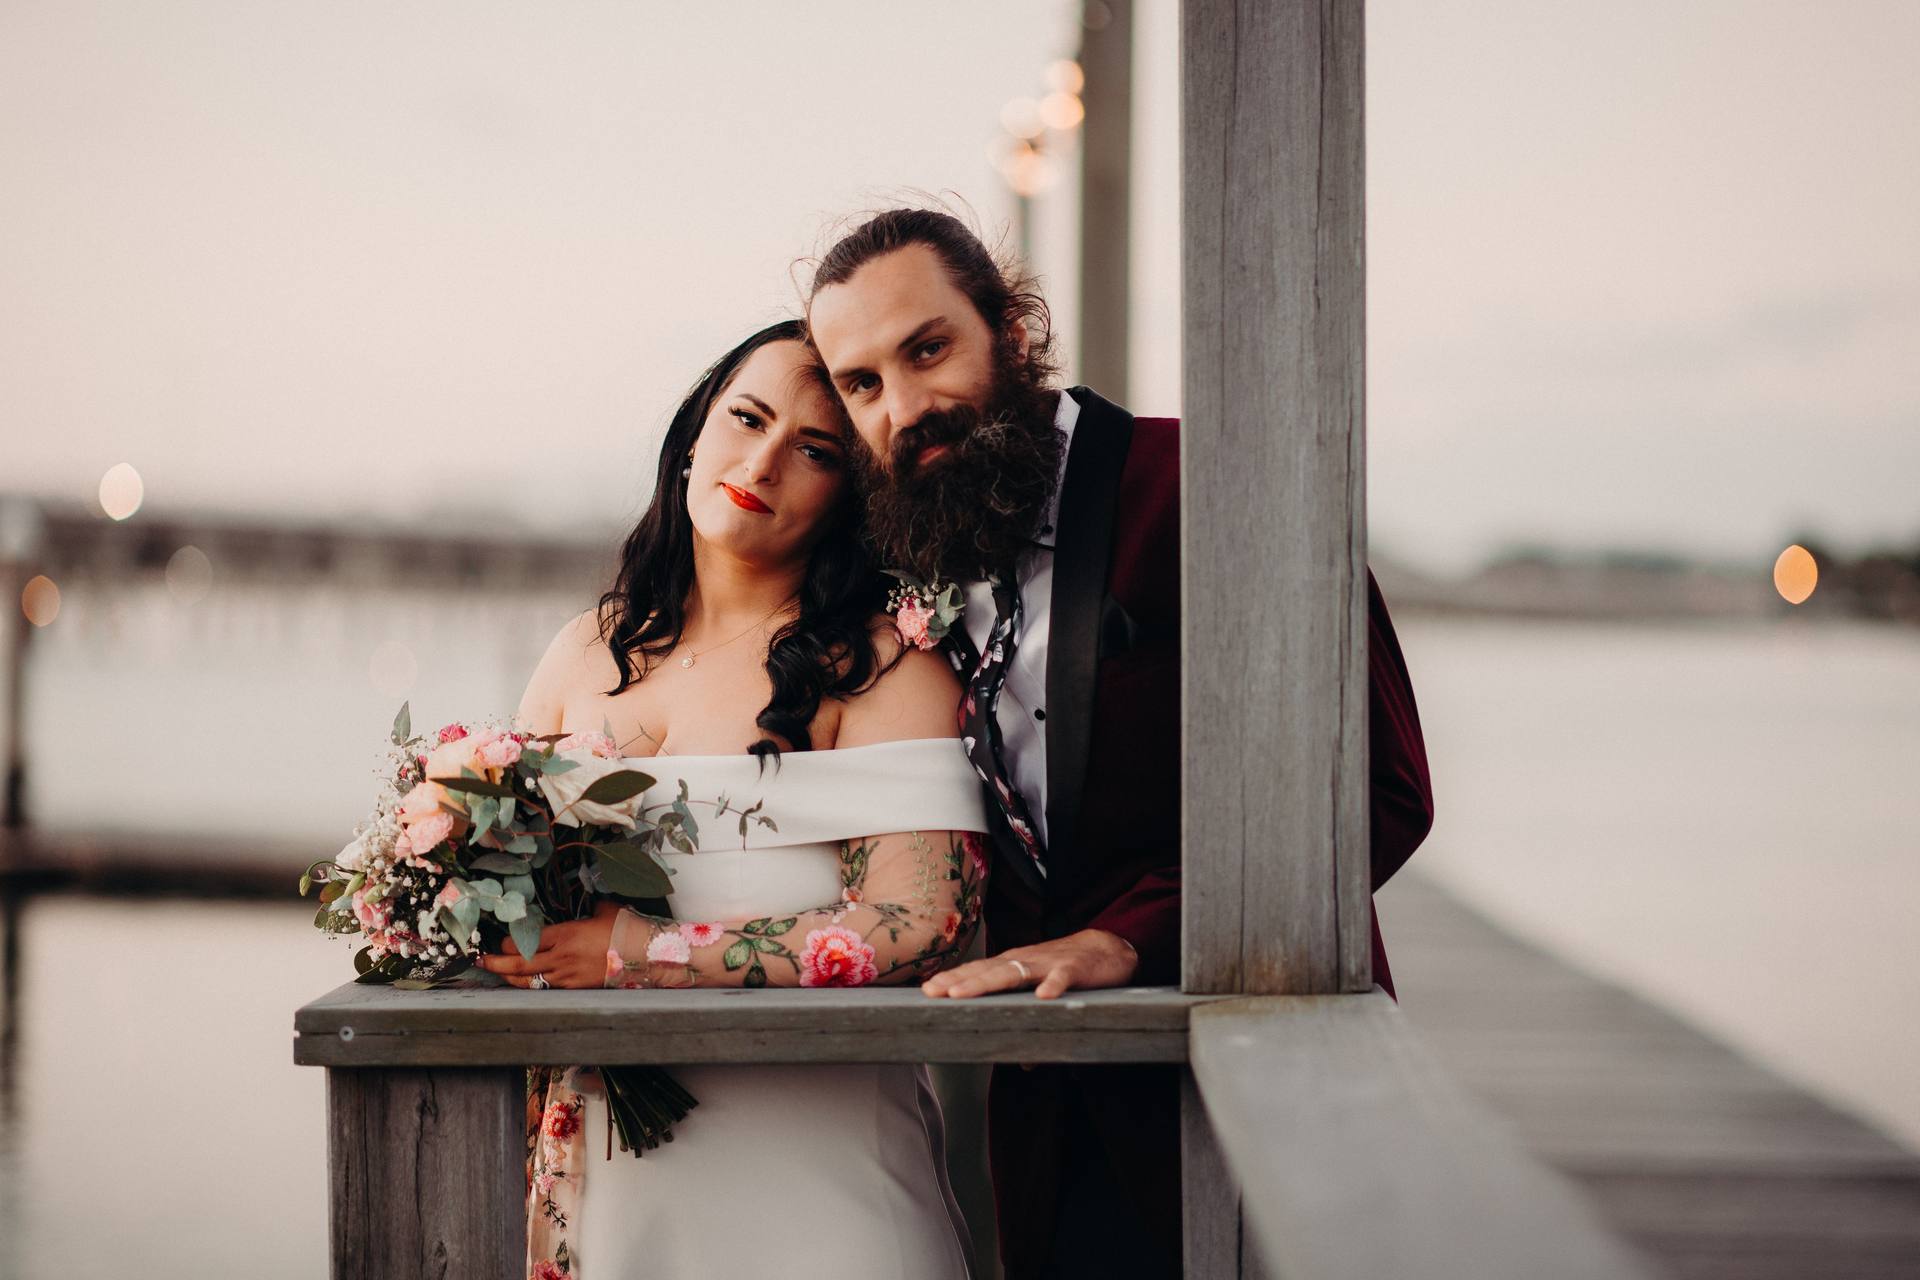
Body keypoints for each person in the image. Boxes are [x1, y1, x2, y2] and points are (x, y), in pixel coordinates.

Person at [805, 208, 1437, 1278]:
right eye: (862, 383)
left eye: (927, 349)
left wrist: (1132, 936)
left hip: (1261, 1096)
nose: (905, 408)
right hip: (1045, 1131)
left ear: (1008, 328)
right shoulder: (900, 554)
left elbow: (1381, 788)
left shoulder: (1215, 481)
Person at [477, 319, 990, 1279]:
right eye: (746, 418)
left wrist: (639, 951)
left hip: (816, 1191)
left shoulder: (882, 667)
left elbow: (931, 921)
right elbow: (508, 876)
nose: (762, 461)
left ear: (851, 495)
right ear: (692, 438)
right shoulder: (583, 651)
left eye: (815, 450)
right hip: (605, 1185)